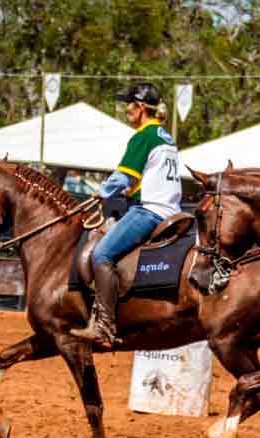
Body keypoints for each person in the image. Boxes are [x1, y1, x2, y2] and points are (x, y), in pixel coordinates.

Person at [70, 82, 181, 347]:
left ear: (141, 107)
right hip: (171, 212)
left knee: (102, 254)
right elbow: (142, 178)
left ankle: (104, 327)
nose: (125, 109)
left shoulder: (144, 136)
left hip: (149, 210)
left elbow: (123, 177)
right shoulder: (167, 137)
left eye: (128, 104)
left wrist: (102, 192)